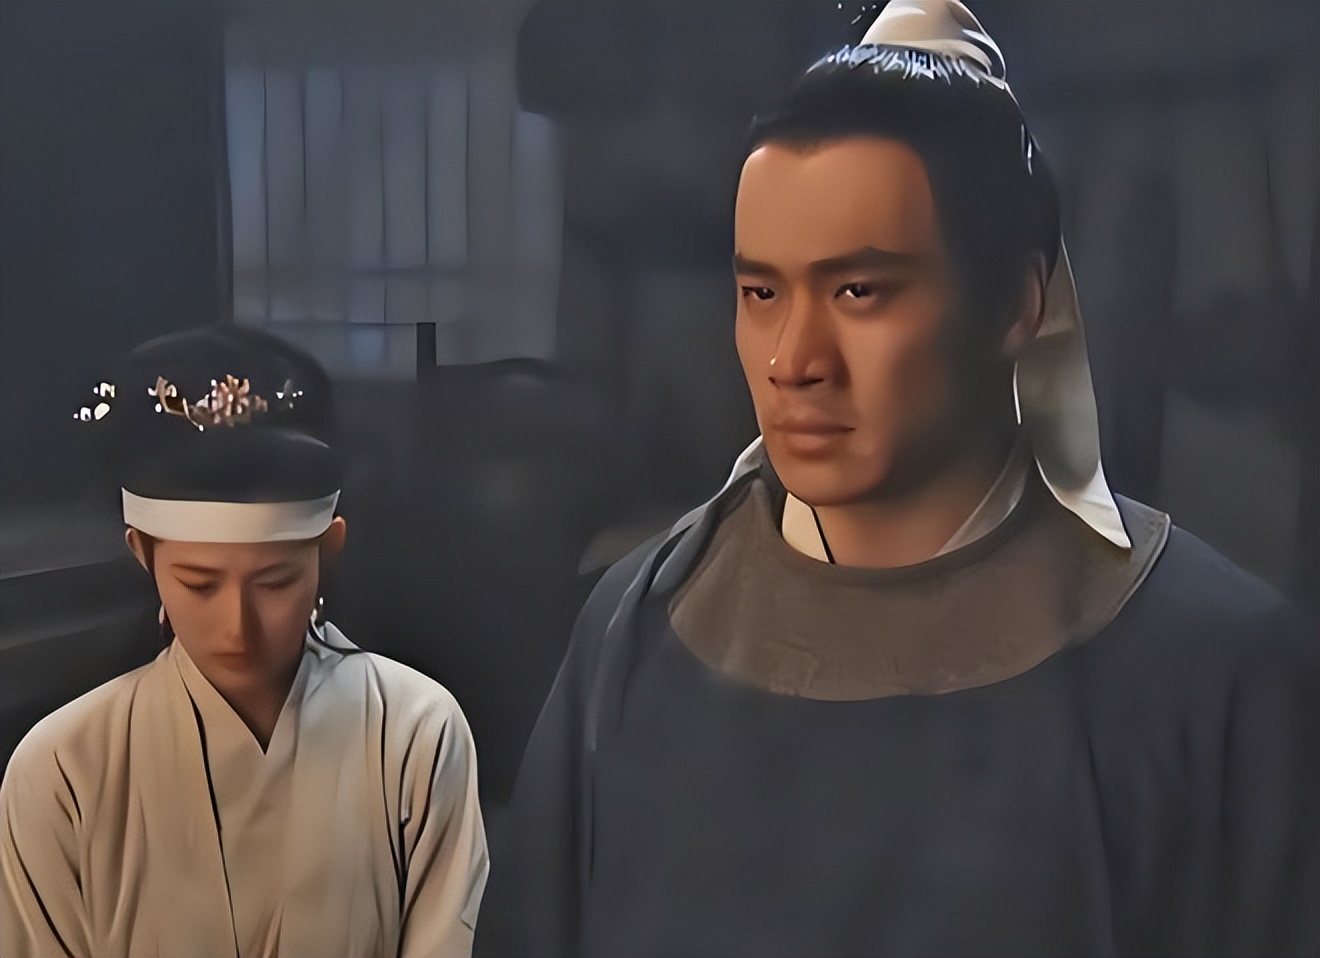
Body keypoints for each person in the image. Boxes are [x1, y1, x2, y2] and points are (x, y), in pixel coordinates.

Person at [475, 2, 1318, 956]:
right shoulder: (638, 628)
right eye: (762, 292)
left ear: (1014, 305)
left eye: (859, 291)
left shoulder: (1216, 671)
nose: (795, 359)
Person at [1, 325, 489, 957]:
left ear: (327, 549)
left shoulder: (414, 732)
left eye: (275, 581)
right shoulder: (63, 767)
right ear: (143, 553)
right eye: (199, 584)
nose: (238, 625)